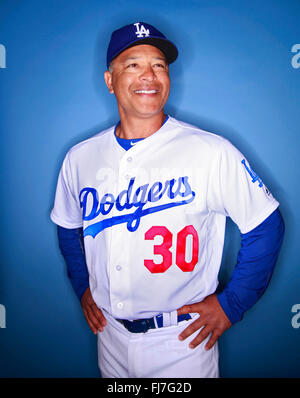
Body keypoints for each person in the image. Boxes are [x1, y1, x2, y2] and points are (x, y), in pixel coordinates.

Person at [50, 22, 285, 378]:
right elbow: (68, 228)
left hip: (182, 341)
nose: (149, 75)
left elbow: (266, 225)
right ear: (110, 80)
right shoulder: (80, 157)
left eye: (159, 65)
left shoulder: (210, 150)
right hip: (110, 338)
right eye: (133, 65)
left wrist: (230, 305)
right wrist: (84, 286)